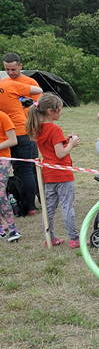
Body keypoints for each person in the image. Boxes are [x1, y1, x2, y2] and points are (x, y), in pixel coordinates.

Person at [26, 93, 81, 248]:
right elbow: (60, 153)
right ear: (51, 111)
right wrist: (72, 144)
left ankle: (49, 237)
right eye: (60, 109)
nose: (61, 112)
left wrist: (65, 140)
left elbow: (51, 147)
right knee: (67, 206)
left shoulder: (38, 128)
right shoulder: (54, 129)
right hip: (62, 173)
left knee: (49, 207)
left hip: (49, 174)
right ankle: (74, 239)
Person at [0, 55, 43, 216]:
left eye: (13, 69)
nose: (10, 72)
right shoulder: (4, 83)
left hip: (27, 129)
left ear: (20, 66)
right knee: (21, 170)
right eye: (7, 69)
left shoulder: (29, 82)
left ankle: (34, 203)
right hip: (10, 133)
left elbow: (40, 105)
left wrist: (27, 103)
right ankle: (22, 203)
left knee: (30, 168)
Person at [0, 107, 20, 241]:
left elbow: (13, 140)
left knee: (1, 194)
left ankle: (13, 229)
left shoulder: (3, 116)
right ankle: (1, 228)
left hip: (2, 159)